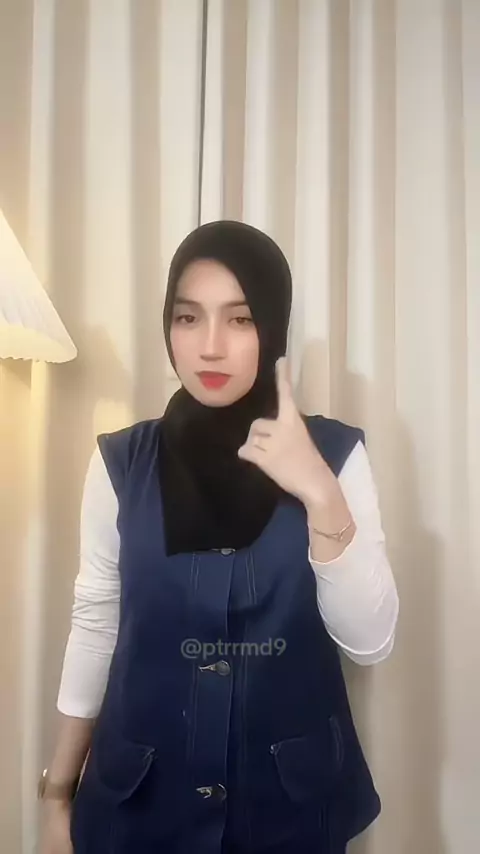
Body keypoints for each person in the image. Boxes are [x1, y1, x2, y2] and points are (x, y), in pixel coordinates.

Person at [38, 221, 399, 854]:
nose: (209, 347)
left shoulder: (334, 456)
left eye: (240, 319)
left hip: (288, 817)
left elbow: (370, 643)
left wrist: (320, 492)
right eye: (188, 318)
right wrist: (56, 796)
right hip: (138, 807)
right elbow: (96, 622)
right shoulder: (123, 463)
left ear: (273, 327)